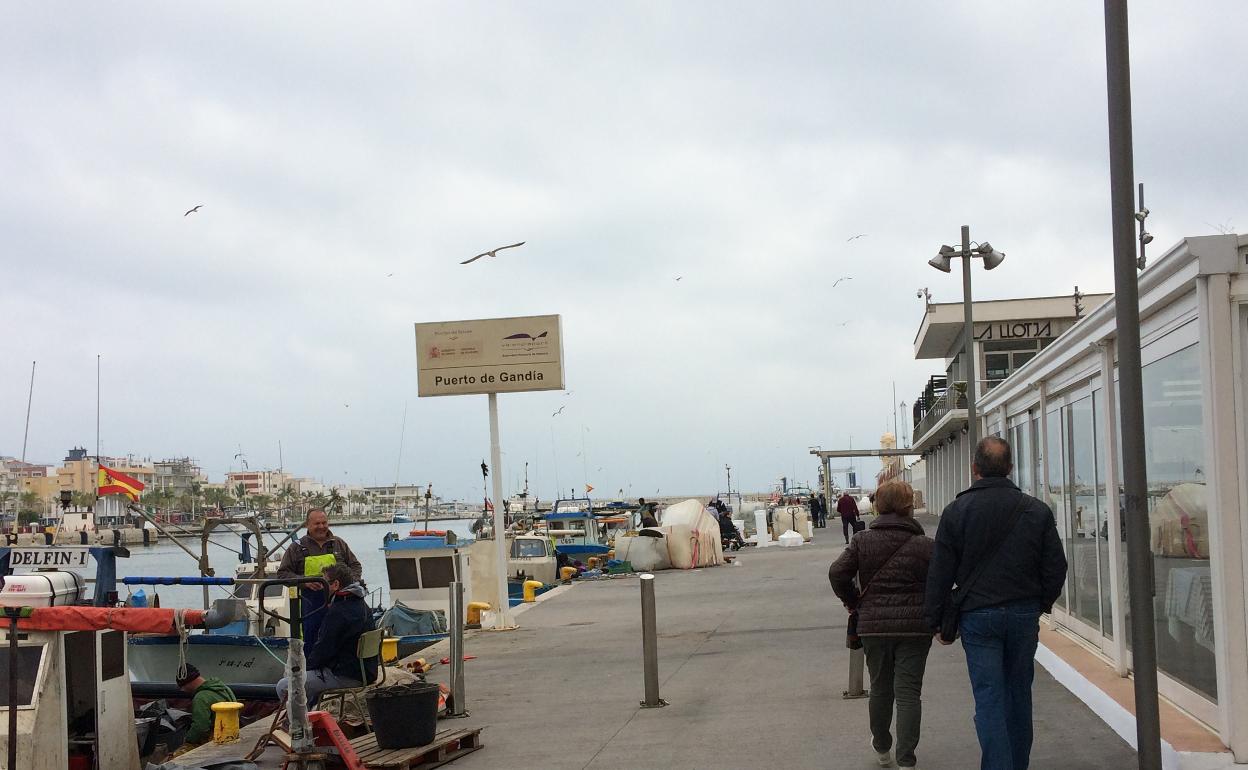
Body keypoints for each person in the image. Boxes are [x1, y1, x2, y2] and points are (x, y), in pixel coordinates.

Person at [924, 437, 1067, 770]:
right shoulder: (1036, 510)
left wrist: (935, 620)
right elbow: (1055, 567)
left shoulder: (956, 511)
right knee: (1019, 696)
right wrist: (1040, 604)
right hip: (1022, 613)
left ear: (974, 469)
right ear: (1011, 469)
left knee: (989, 698)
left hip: (978, 616)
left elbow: (940, 571)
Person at [828, 481, 934, 770]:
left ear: (878, 506)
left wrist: (853, 602)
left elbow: (838, 572)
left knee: (880, 688)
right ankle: (907, 759)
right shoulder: (924, 545)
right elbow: (940, 581)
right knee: (909, 692)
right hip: (914, 628)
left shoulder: (862, 541)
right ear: (908, 506)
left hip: (873, 625)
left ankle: (882, 748)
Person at [276, 564, 379, 709]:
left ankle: (300, 727)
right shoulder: (362, 605)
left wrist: (307, 668)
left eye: (324, 582)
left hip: (346, 676)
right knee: (307, 680)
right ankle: (312, 717)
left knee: (283, 686)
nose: (321, 587)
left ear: (336, 584)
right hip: (365, 672)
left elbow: (324, 649)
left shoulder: (338, 612)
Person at [276, 508, 364, 657]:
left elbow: (355, 566)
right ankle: (312, 672)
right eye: (317, 523)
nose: (322, 527)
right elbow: (282, 574)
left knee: (341, 639)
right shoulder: (296, 548)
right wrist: (304, 582)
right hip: (311, 606)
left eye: (324, 523)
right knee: (312, 642)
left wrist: (348, 584)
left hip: (340, 603)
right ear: (307, 525)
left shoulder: (339, 544)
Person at [177, 664, 237, 747]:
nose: (182, 690)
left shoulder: (201, 698)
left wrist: (188, 740)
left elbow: (201, 727)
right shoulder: (225, 688)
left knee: (178, 755)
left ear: (188, 682)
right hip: (232, 735)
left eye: (182, 686)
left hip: (216, 740)